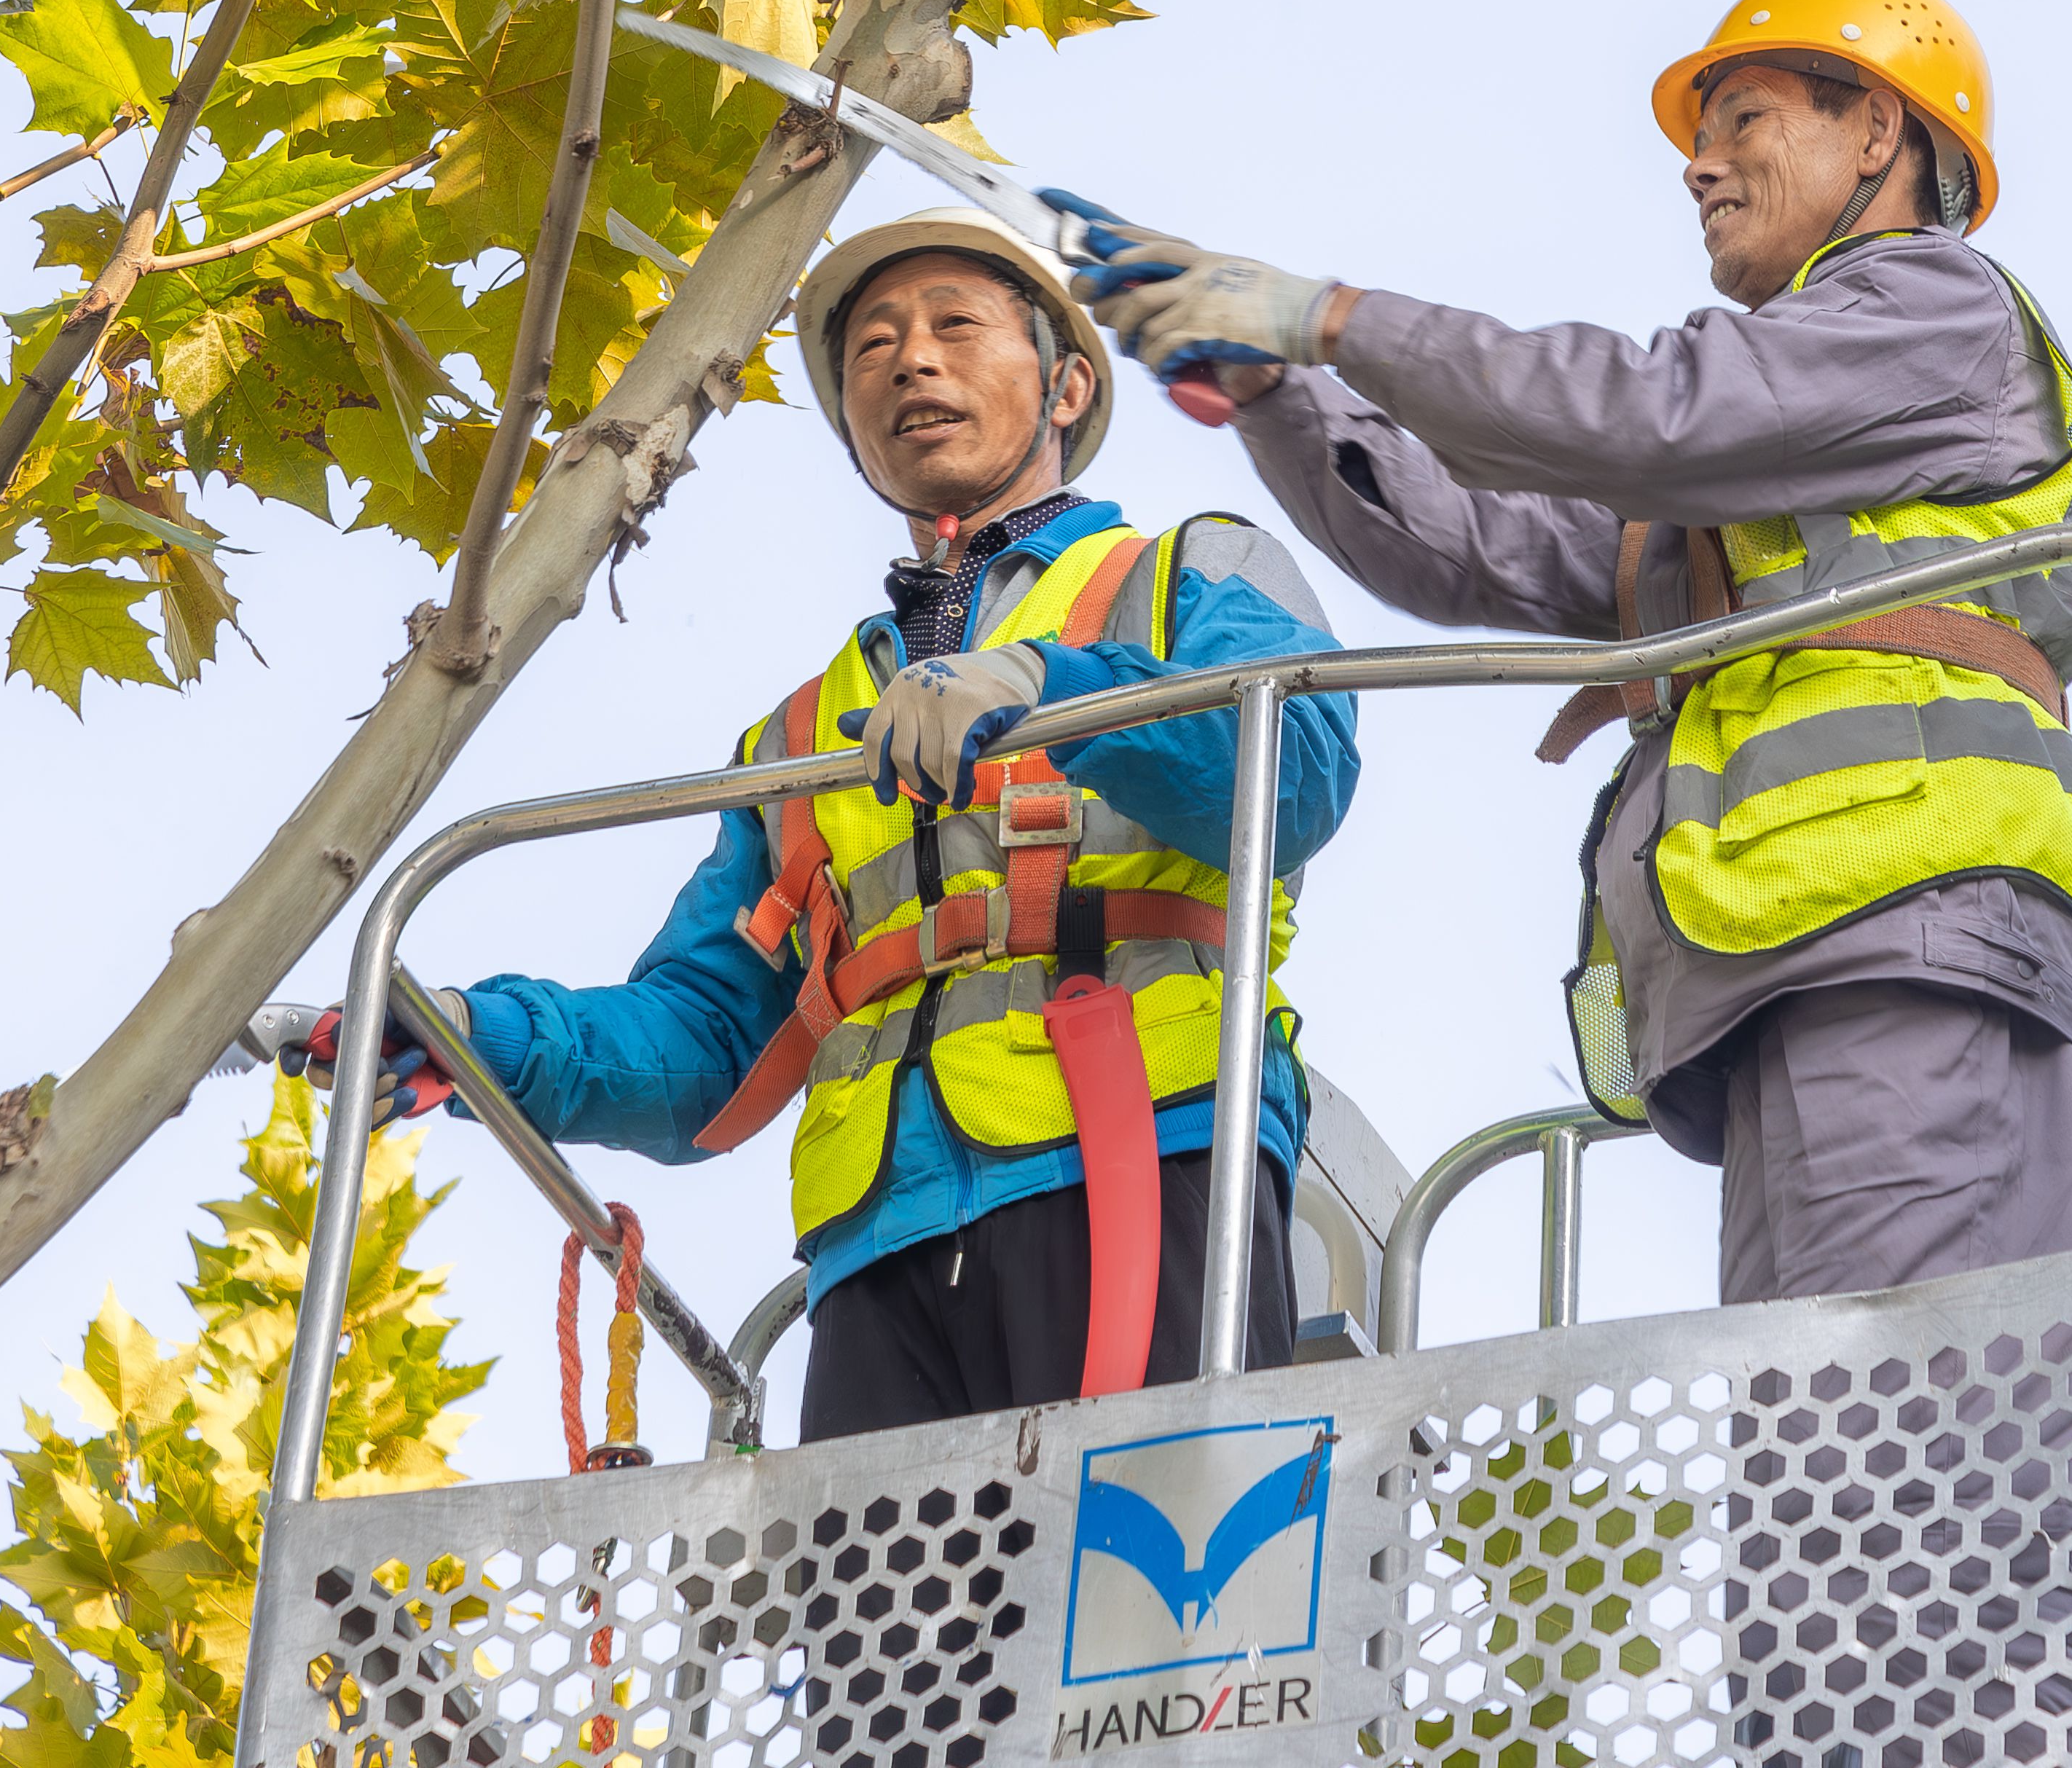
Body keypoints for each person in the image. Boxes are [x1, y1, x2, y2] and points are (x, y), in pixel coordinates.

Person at [1052, 0, 2072, 1310]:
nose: (1702, 164)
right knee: (1821, 1475)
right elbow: (1468, 547)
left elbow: (1642, 416)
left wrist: (1317, 313)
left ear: (1879, 136)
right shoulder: (1752, 487)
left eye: (1744, 117)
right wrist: (1280, 390)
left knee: (1903, 1456)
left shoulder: (1939, 308)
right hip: (1806, 964)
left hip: (1929, 942)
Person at [307, 206, 1359, 1436]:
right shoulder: (806, 734)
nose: (911, 361)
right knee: (887, 1630)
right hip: (877, 1251)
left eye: (957, 327)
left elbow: (1291, 781)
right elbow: (706, 1043)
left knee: (1143, 1597)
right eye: (871, 348)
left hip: (1144, 1163)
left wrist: (1044, 693)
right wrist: (489, 1040)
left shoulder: (1189, 575)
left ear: (1068, 384)